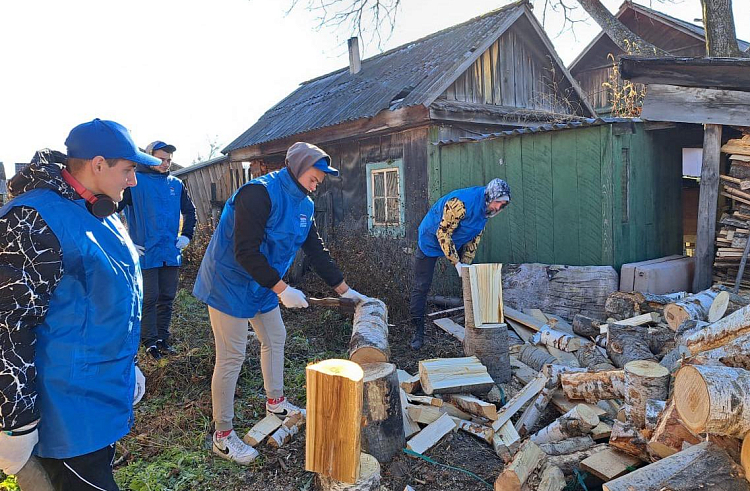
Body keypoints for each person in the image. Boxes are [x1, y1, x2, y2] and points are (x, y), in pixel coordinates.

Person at [0, 119, 157, 490]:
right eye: (129, 169)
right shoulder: (32, 219)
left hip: (101, 391)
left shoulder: (99, 209)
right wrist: (16, 418)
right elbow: (9, 324)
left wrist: (128, 364)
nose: (133, 180)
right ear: (98, 164)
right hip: (64, 407)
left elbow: (105, 302)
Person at [193, 142, 367, 465]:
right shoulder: (258, 194)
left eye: (321, 180)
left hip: (262, 283)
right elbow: (245, 252)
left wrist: (346, 290)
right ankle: (222, 436)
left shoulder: (305, 205)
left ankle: (276, 401)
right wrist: (282, 288)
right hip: (228, 282)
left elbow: (316, 251)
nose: (319, 183)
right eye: (315, 177)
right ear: (299, 168)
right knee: (232, 355)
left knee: (275, 337)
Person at [409, 178, 511, 350]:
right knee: (421, 286)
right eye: (497, 203)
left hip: (456, 239)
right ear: (489, 197)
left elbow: (474, 238)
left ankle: (472, 325)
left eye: (502, 204)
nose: (498, 208)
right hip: (431, 239)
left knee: (469, 277)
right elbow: (443, 233)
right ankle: (417, 332)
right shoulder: (460, 204)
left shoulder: (487, 211)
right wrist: (456, 263)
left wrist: (466, 264)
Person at [119, 140, 197, 360]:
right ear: (148, 157)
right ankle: (149, 343)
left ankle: (163, 338)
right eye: (161, 159)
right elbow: (111, 210)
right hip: (146, 253)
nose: (165, 164)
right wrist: (126, 241)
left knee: (167, 297)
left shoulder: (176, 184)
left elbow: (190, 212)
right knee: (149, 298)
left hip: (170, 252)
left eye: (169, 160)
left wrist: (186, 235)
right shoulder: (135, 182)